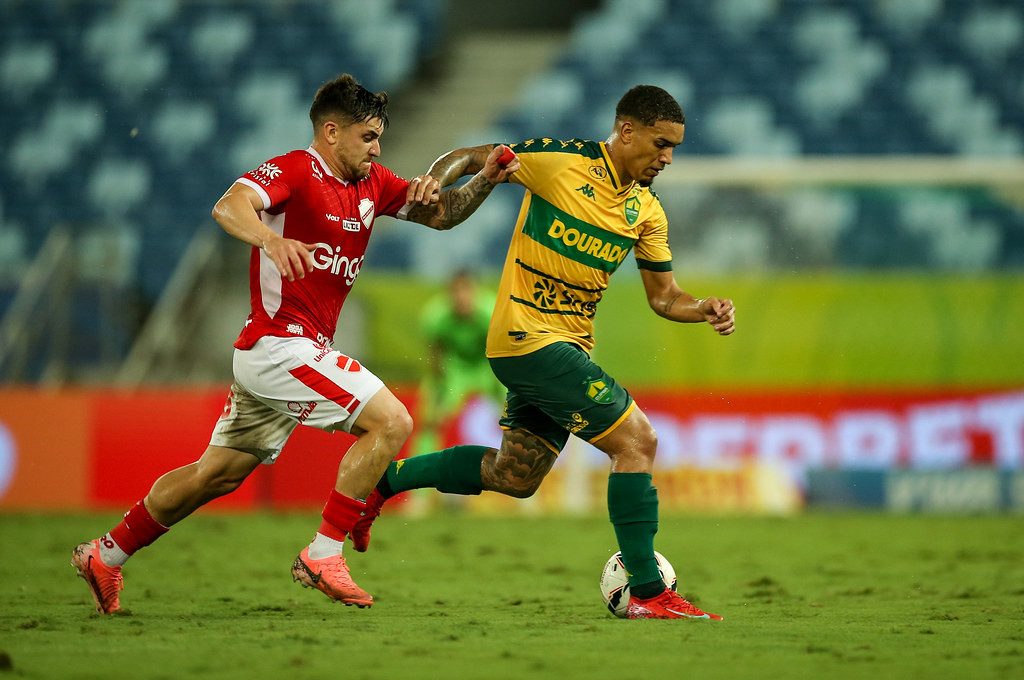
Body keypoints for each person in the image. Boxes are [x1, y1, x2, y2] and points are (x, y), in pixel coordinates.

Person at [71, 73, 519, 614]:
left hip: (288, 353)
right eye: (368, 137)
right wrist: (270, 238)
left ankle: (105, 555)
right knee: (393, 421)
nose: (377, 149)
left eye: (379, 138)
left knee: (216, 474)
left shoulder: (373, 183)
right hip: (278, 345)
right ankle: (323, 554)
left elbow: (442, 215)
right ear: (331, 132)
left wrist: (485, 178)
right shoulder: (295, 170)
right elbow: (229, 205)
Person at [352, 85, 735, 620]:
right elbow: (473, 156)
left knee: (515, 476)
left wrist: (704, 308)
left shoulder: (647, 212)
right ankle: (649, 592)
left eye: (674, 148)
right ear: (627, 131)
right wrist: (433, 181)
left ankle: (381, 484)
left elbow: (665, 297)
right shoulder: (561, 163)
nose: (668, 158)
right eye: (661, 143)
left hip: (564, 346)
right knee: (637, 443)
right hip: (526, 339)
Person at [412, 269, 504, 457]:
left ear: (476, 292)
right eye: (456, 291)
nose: (461, 297)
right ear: (448, 294)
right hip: (455, 366)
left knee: (516, 413)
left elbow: (503, 354)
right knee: (430, 420)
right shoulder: (436, 315)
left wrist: (504, 392)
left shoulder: (491, 312)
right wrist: (438, 389)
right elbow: (436, 354)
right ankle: (421, 470)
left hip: (487, 364)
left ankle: (525, 472)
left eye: (466, 290)